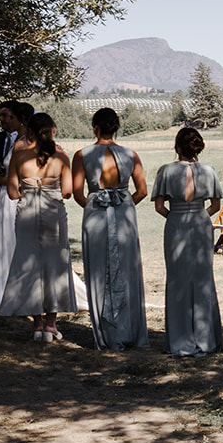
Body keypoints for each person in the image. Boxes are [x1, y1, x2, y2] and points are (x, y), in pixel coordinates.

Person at [72, 107, 149, 350]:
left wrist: (96, 206)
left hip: (95, 216)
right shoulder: (131, 154)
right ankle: (130, 332)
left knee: (98, 270)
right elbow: (142, 191)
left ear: (95, 127)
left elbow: (77, 194)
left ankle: (107, 333)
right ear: (116, 128)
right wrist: (123, 204)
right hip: (125, 214)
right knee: (127, 270)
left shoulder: (81, 154)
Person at [0, 112, 79, 341]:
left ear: (30, 132)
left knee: (29, 264)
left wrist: (30, 190)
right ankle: (52, 325)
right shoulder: (62, 157)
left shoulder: (19, 156)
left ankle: (37, 324)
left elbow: (13, 193)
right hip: (54, 214)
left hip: (27, 213)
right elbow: (67, 192)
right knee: (55, 264)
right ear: (52, 131)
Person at [153, 127, 223, 357]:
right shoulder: (209, 171)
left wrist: (176, 217)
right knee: (203, 278)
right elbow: (215, 205)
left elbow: (159, 206)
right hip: (201, 223)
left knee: (177, 279)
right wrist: (199, 216)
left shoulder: (166, 171)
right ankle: (205, 337)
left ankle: (180, 338)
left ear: (177, 146)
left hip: (176, 224)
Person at [0, 101, 33, 307]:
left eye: (12, 116)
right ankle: (4, 284)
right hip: (4, 197)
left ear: (20, 120)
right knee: (5, 241)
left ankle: (14, 288)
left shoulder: (25, 143)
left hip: (13, 196)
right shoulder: (16, 141)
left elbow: (23, 175)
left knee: (14, 239)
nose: (6, 120)